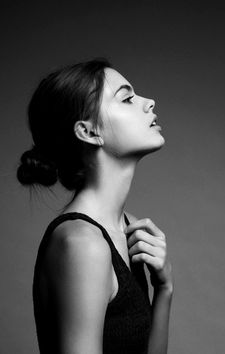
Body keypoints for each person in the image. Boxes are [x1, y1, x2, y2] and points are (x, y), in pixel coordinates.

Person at [16, 58, 174, 354]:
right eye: (127, 98)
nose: (149, 102)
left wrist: (165, 289)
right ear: (88, 132)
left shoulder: (130, 229)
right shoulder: (81, 243)